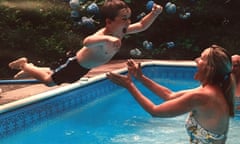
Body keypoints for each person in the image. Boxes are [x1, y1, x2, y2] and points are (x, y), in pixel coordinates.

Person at [8, 0, 163, 86]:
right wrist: (107, 39)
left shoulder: (122, 30)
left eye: (129, 17)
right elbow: (87, 42)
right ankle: (26, 65)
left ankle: (30, 70)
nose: (128, 21)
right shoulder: (104, 34)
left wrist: (154, 13)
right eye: (124, 18)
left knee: (54, 71)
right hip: (76, 63)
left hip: (84, 67)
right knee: (50, 81)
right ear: (109, 22)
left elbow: (142, 25)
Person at [107, 45, 235, 144]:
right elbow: (170, 95)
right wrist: (140, 77)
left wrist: (129, 85)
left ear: (209, 68)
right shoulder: (210, 91)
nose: (196, 59)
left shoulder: (202, 96)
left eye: (201, 58)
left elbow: (155, 111)